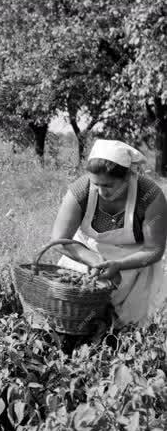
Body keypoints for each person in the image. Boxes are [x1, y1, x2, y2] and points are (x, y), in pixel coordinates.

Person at [51, 139, 167, 328]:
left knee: (129, 324)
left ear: (128, 177)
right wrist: (94, 260)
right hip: (85, 253)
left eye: (108, 185)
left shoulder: (150, 196)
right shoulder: (81, 191)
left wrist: (119, 265)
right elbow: (59, 239)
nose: (100, 190)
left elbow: (154, 249)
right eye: (96, 184)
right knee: (75, 311)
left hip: (134, 261)